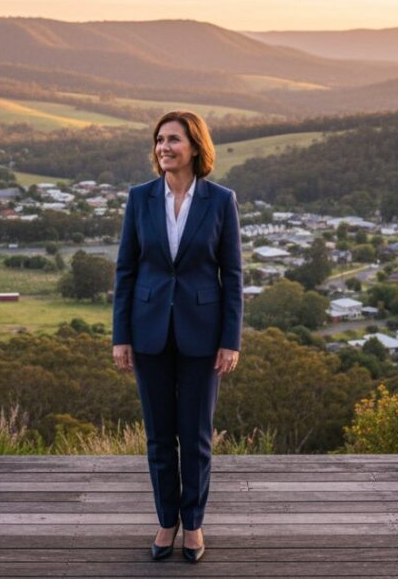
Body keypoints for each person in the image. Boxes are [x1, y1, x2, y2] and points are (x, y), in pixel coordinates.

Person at [112, 110, 243, 563]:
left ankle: (195, 524)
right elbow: (127, 270)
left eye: (174, 140)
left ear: (195, 147)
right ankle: (167, 521)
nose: (164, 147)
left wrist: (231, 339)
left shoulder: (221, 200)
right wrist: (120, 335)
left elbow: (233, 275)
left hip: (203, 337)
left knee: (197, 436)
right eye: (159, 140)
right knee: (159, 436)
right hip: (147, 333)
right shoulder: (139, 197)